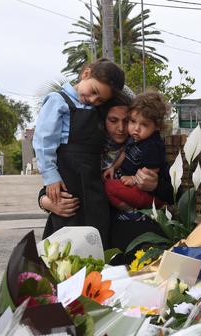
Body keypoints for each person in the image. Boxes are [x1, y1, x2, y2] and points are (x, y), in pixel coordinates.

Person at [38, 99, 175, 252]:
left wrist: (156, 186)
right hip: (101, 240)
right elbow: (51, 188)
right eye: (113, 120)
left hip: (144, 240)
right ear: (102, 120)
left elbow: (174, 194)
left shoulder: (146, 147)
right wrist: (47, 202)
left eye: (126, 120)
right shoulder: (90, 151)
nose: (121, 128)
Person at [33, 58, 125, 247]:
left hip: (93, 182)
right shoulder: (58, 101)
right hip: (68, 179)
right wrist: (50, 177)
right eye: (94, 92)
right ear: (85, 73)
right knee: (67, 231)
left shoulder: (97, 109)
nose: (93, 100)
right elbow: (43, 141)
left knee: (97, 232)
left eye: (100, 99)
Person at [104, 91, 169, 211]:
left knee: (109, 187)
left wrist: (133, 179)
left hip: (147, 193)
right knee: (108, 183)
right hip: (131, 185)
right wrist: (113, 167)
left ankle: (133, 212)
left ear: (157, 126)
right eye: (133, 121)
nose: (136, 129)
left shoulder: (152, 145)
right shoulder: (134, 138)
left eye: (144, 124)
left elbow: (150, 173)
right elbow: (125, 152)